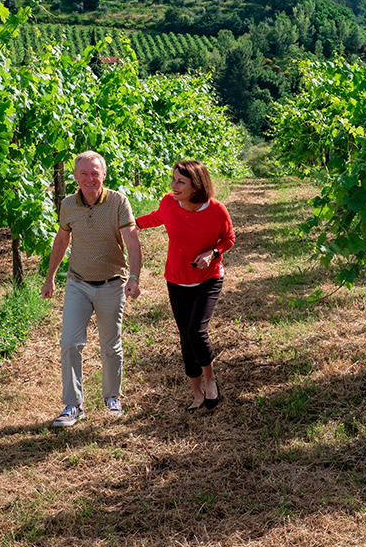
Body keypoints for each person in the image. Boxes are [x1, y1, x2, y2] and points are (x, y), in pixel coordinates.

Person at [42, 150, 142, 428]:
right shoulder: (68, 205)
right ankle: (73, 405)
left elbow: (132, 242)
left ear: (104, 175)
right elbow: (62, 240)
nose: (89, 178)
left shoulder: (118, 201)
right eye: (84, 173)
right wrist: (50, 277)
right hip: (77, 283)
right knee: (70, 343)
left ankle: (112, 397)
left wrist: (134, 277)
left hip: (112, 283)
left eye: (94, 173)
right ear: (75, 176)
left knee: (111, 345)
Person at [136, 160, 234, 412]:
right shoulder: (169, 203)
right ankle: (197, 394)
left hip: (208, 278)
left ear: (196, 185)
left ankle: (210, 379)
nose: (173, 185)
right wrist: (124, 223)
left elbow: (228, 239)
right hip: (176, 279)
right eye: (173, 179)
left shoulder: (216, 210)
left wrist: (213, 253)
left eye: (181, 181)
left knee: (196, 333)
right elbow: (153, 219)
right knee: (185, 337)